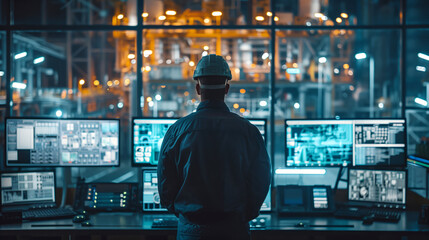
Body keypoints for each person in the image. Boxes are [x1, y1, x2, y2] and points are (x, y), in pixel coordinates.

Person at [157, 54, 271, 240]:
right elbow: (261, 180)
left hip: (191, 231)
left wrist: (184, 214)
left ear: (197, 88)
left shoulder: (176, 131)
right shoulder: (248, 132)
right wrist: (243, 215)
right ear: (226, 89)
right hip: (234, 230)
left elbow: (165, 183)